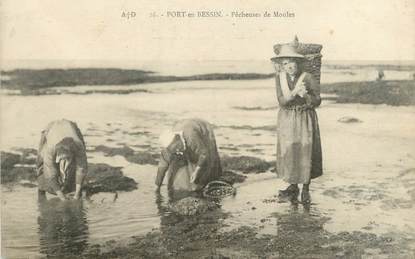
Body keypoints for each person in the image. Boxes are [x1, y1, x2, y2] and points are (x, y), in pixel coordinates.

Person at [272, 44, 323, 204]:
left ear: (298, 63)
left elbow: (317, 100)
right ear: (282, 65)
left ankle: (306, 188)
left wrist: (306, 96)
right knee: (290, 149)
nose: (290, 66)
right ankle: (293, 186)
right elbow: (281, 101)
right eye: (286, 64)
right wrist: (293, 94)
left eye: (292, 63)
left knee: (305, 149)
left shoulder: (307, 77)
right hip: (287, 117)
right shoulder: (280, 78)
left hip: (304, 117)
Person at [155, 118, 222, 192]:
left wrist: (197, 171)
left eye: (177, 147)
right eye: (173, 150)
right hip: (182, 125)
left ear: (178, 139)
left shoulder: (191, 137)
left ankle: (213, 177)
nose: (176, 150)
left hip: (202, 128)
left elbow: (204, 153)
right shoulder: (167, 149)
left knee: (207, 161)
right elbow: (162, 167)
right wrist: (158, 186)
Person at [37, 119, 88, 201]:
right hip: (51, 129)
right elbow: (50, 174)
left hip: (70, 126)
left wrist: (77, 195)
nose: (65, 159)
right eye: (62, 157)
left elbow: (81, 168)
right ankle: (41, 190)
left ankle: (76, 189)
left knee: (74, 167)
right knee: (41, 163)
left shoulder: (79, 146)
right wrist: (61, 197)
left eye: (67, 157)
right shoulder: (50, 149)